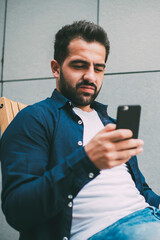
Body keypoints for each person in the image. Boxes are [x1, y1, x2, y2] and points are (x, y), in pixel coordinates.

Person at [0, 20, 160, 240]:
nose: (91, 77)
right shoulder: (35, 118)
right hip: (109, 231)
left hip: (150, 218)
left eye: (99, 68)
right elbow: (18, 210)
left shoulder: (109, 123)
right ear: (56, 68)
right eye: (79, 65)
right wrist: (87, 161)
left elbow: (141, 190)